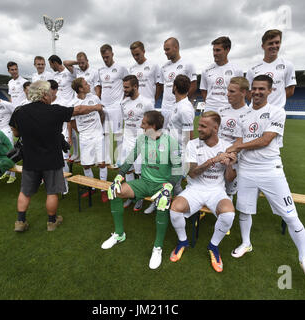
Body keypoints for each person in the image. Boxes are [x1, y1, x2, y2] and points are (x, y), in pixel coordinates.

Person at [226, 75, 305, 281]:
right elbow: (241, 140)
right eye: (255, 89)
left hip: (271, 170)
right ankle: (246, 243)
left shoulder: (277, 112)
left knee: (290, 215)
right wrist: (232, 154)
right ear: (250, 90)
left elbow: (265, 140)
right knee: (244, 210)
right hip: (247, 171)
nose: (257, 92)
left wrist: (237, 147)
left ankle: (304, 259)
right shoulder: (244, 115)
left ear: (270, 91)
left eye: (262, 89)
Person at [9, 80, 103, 232]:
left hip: (30, 159)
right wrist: (96, 107)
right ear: (45, 95)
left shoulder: (19, 111)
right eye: (51, 93)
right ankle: (52, 222)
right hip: (51, 159)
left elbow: (15, 131)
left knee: (25, 191)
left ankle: (20, 221)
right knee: (51, 192)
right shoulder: (55, 110)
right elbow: (78, 110)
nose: (53, 95)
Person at [102, 110, 182, 270]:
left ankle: (157, 247)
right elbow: (129, 160)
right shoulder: (142, 139)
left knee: (163, 202)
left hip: (162, 186)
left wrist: (169, 186)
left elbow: (178, 169)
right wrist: (119, 176)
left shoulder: (171, 142)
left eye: (144, 123)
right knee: (115, 191)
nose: (140, 125)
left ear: (153, 126)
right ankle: (119, 234)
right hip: (144, 182)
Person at [169, 111, 237, 273]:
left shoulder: (227, 146)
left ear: (215, 128)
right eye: (199, 125)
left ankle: (213, 246)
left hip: (216, 190)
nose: (198, 129)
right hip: (195, 189)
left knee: (229, 214)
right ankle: (182, 241)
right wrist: (213, 160)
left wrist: (229, 164)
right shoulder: (192, 144)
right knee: (175, 208)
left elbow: (229, 179)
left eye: (203, 126)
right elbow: (192, 173)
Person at [119, 74, 154, 211]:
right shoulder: (123, 103)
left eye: (127, 87)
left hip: (141, 140)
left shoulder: (147, 102)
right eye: (123, 87)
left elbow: (152, 124)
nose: (124, 90)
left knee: (140, 172)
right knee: (128, 169)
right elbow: (126, 122)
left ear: (135, 86)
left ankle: (139, 197)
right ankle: (130, 195)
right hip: (127, 139)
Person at [70, 77, 108, 202]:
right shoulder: (73, 103)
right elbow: (71, 121)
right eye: (86, 84)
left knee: (102, 163)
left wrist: (99, 127)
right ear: (80, 88)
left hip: (97, 135)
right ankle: (91, 188)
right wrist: (80, 131)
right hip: (85, 136)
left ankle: (103, 189)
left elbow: (102, 113)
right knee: (86, 165)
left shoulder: (94, 98)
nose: (89, 85)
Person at [246, 29, 296, 108]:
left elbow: (290, 90)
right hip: (255, 112)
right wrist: (260, 104)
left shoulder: (288, 65)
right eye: (270, 43)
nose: (274, 46)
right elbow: (248, 93)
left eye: (277, 42)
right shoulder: (252, 69)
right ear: (263, 46)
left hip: (276, 113)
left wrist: (275, 103)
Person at [218, 77, 250, 198]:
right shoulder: (221, 110)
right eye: (228, 90)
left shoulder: (249, 113)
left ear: (243, 93)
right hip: (217, 154)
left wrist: (228, 155)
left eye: (232, 91)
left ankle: (226, 213)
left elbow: (242, 141)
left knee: (228, 190)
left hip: (234, 158)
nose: (227, 94)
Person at [97, 44, 129, 168]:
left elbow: (129, 83)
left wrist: (124, 100)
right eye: (103, 57)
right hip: (105, 107)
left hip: (117, 107)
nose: (105, 59)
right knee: (105, 133)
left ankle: (120, 159)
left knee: (118, 134)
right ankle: (107, 159)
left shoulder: (121, 68)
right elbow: (99, 86)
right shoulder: (100, 70)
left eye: (107, 57)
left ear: (112, 54)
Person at [159, 37, 197, 128]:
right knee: (165, 137)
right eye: (164, 50)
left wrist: (181, 101)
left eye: (167, 49)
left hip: (179, 108)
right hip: (165, 108)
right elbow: (161, 86)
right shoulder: (164, 67)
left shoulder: (188, 64)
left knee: (181, 136)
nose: (165, 52)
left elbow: (194, 86)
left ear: (176, 47)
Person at [200, 36, 244, 113]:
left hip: (229, 110)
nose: (214, 53)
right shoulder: (206, 70)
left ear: (227, 50)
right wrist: (211, 104)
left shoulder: (237, 70)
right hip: (210, 110)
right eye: (213, 50)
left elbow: (241, 92)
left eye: (218, 50)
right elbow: (204, 90)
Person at [49, 54, 79, 162]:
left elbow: (67, 63)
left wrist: (79, 61)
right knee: (66, 129)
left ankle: (75, 153)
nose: (50, 66)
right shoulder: (54, 76)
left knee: (74, 129)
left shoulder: (68, 72)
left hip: (70, 103)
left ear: (54, 63)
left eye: (50, 64)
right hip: (58, 103)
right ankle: (73, 152)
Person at [129, 41, 162, 106]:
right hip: (135, 104)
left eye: (137, 54)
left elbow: (159, 85)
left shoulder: (154, 65)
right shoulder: (132, 68)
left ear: (143, 51)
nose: (135, 57)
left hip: (149, 103)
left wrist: (153, 100)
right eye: (133, 55)